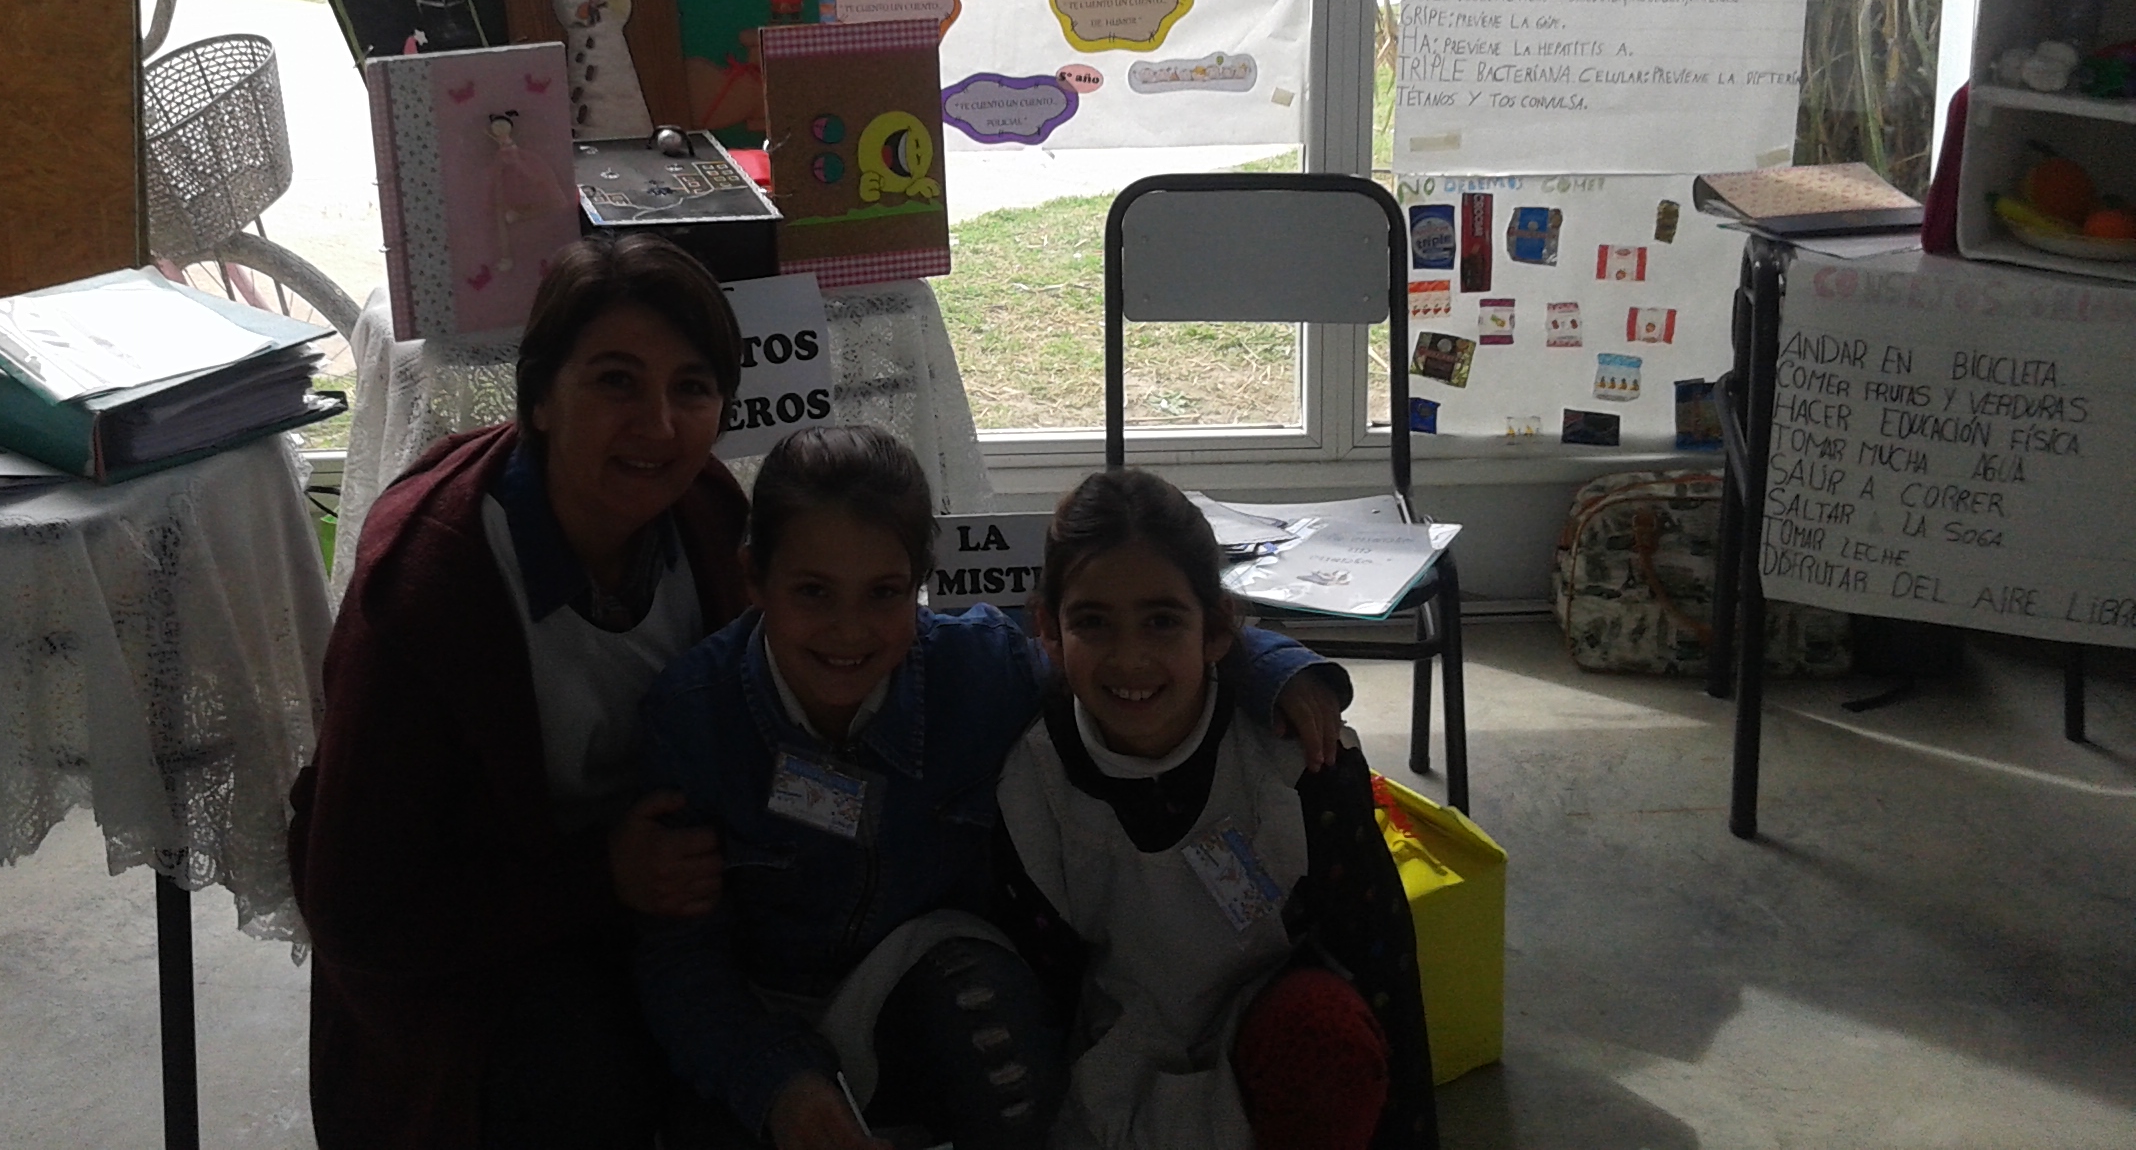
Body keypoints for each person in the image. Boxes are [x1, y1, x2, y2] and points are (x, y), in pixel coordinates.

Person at [637, 425, 1353, 1150]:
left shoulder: (976, 672)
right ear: (753, 578)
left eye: (884, 593)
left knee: (998, 1039)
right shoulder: (693, 715)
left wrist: (1270, 666)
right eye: (812, 592)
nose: (847, 631)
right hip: (758, 1016)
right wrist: (777, 1085)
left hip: (926, 992)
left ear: (920, 585)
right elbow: (678, 961)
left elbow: (1113, 649)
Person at [288, 233, 752, 1149]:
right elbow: (356, 912)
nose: (660, 426)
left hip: (657, 901)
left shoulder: (708, 513)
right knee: (591, 1075)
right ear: (539, 397)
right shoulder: (428, 590)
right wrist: (604, 877)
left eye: (692, 389)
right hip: (485, 958)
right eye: (616, 382)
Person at [995, 470, 1437, 1150]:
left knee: (1329, 1041)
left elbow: (1382, 969)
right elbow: (1041, 984)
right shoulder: (1034, 781)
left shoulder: (1299, 759)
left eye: (1162, 621)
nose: (1130, 658)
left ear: (1218, 629)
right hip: (1113, 1059)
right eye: (1093, 623)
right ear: (1049, 632)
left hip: (1271, 1044)